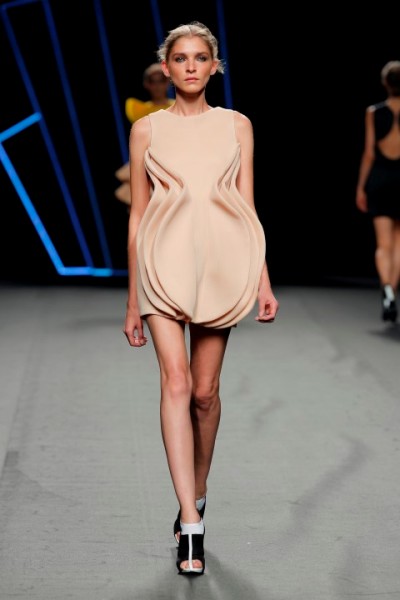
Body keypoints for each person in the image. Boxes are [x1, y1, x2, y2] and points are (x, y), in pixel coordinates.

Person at [123, 21, 279, 576]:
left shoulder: (237, 125)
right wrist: (132, 297)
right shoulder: (147, 130)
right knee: (177, 382)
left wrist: (261, 279)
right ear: (167, 68)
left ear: (215, 67)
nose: (190, 66)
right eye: (181, 58)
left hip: (221, 262)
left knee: (205, 394)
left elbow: (247, 206)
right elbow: (138, 214)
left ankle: (199, 489)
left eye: (200, 58)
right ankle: (191, 521)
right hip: (161, 262)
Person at [355, 60, 400, 323]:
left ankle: (386, 289)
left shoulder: (374, 112)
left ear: (386, 83)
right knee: (399, 243)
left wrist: (361, 187)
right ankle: (392, 291)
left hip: (381, 179)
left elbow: (370, 153)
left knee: (383, 244)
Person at [114, 63, 174, 207]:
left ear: (168, 83)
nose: (157, 86)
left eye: (161, 81)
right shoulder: (139, 110)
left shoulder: (178, 107)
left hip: (174, 162)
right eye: (153, 81)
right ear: (147, 84)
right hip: (148, 163)